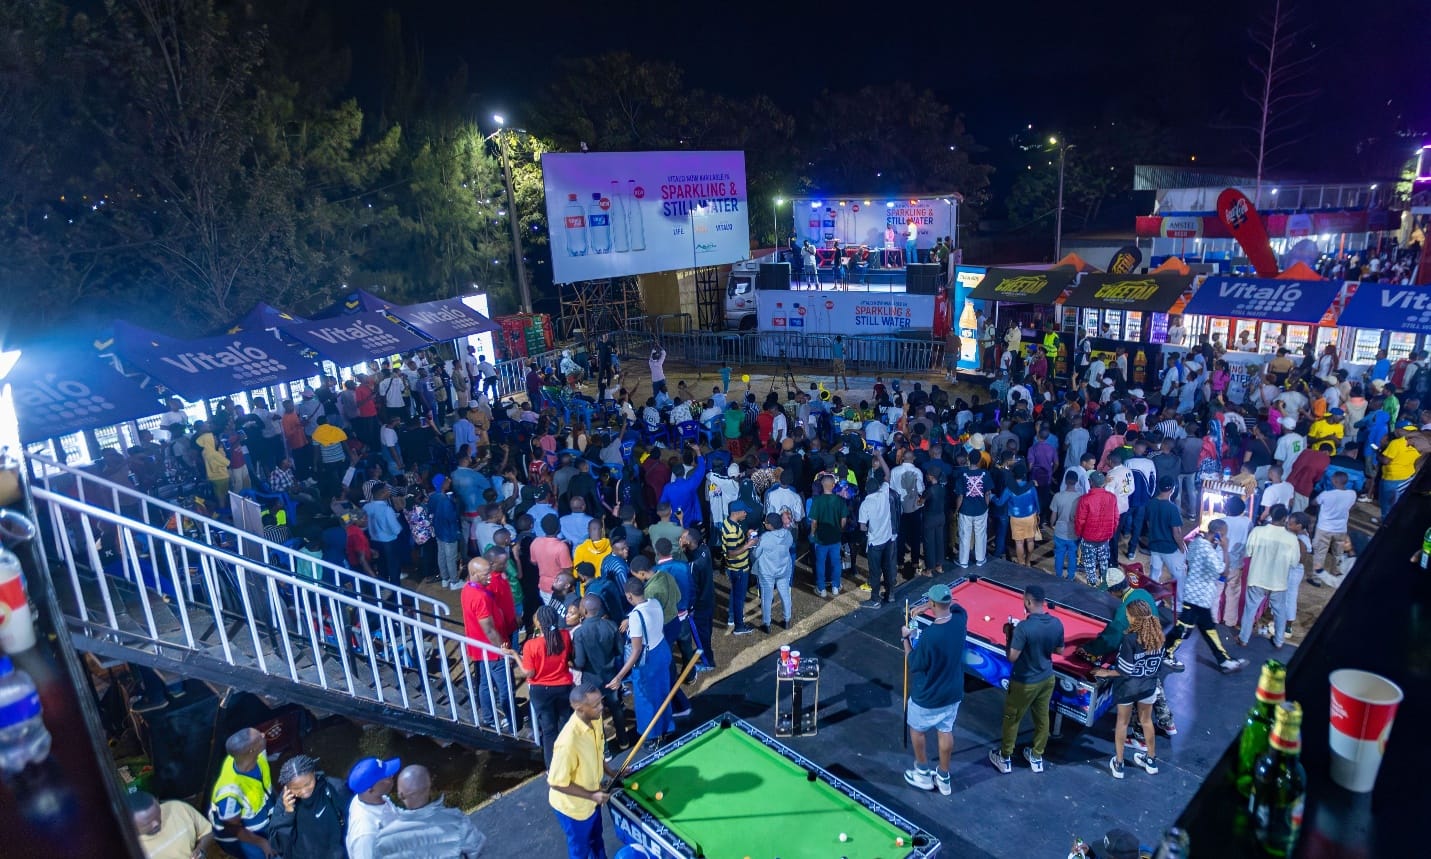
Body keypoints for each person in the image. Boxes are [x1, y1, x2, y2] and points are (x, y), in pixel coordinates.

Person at [901, 583, 968, 796]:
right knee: (945, 730)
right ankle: (944, 776)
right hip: (952, 692)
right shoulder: (960, 619)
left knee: (917, 730)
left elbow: (914, 664)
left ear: (932, 603)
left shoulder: (930, 635)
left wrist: (905, 638)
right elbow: (957, 606)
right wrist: (928, 607)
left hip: (928, 695)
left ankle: (922, 773)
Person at [990, 585, 1064, 775]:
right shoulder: (1056, 623)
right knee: (1042, 718)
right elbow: (1059, 650)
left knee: (1012, 718)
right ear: (1043, 601)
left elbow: (1012, 657)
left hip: (1024, 682)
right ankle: (1037, 756)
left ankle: (1004, 757)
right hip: (1047, 679)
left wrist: (1009, 636)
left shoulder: (1024, 628)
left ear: (1029, 602)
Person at [1162, 519, 1248, 673]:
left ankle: (1224, 660)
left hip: (1198, 596)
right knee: (1184, 629)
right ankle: (1165, 653)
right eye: (1224, 535)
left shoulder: (1197, 543)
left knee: (1209, 630)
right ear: (1218, 534)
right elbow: (1224, 572)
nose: (1225, 538)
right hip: (1197, 598)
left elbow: (1191, 561)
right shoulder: (1208, 550)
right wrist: (1225, 549)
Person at [1091, 600, 1164, 779]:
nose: (1127, 618)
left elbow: (1124, 670)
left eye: (1129, 615)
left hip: (1127, 688)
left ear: (1135, 618)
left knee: (1122, 724)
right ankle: (1151, 761)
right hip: (1148, 686)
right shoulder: (1159, 637)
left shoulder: (1130, 639)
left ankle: (1119, 764)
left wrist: (1105, 672)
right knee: (1146, 721)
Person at [548, 683, 621, 859]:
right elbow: (556, 783)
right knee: (580, 850)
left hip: (592, 800)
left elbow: (597, 751)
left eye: (601, 702)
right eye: (595, 705)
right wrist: (592, 795)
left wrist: (610, 772)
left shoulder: (595, 719)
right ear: (579, 709)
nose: (601, 707)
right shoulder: (568, 742)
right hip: (573, 809)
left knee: (597, 840)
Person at [608, 577, 674, 741]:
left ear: (629, 596)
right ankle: (667, 727)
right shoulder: (654, 602)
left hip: (648, 661)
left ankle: (652, 736)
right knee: (662, 691)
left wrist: (619, 676)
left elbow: (636, 650)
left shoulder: (635, 617)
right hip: (662, 650)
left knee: (646, 699)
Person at [377, 764, 487, 858]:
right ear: (429, 788)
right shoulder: (456, 820)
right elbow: (476, 848)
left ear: (400, 795)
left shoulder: (384, 838)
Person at [514, 604, 576, 768]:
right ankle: (570, 761)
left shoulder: (531, 645)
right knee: (565, 726)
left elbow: (529, 673)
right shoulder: (565, 635)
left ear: (539, 624)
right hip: (563, 687)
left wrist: (515, 655)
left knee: (549, 732)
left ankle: (552, 768)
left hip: (541, 691)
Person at [1238, 504, 1302, 648]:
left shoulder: (1257, 531)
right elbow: (1294, 562)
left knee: (1250, 610)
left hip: (1257, 578)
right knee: (1280, 613)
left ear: (1271, 515)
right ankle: (1279, 641)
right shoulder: (1291, 539)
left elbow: (1248, 552)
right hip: (1278, 582)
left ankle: (1243, 639)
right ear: (1285, 518)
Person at [267, 754, 351, 859]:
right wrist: (288, 813)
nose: (304, 791)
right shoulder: (284, 803)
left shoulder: (333, 788)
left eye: (308, 784)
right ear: (287, 787)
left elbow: (354, 816)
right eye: (296, 788)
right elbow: (278, 845)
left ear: (314, 773)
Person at [208, 728, 273, 859]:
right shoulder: (229, 794)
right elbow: (234, 829)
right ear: (251, 750)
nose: (263, 735)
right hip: (250, 837)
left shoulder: (250, 757)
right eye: (259, 737)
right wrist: (262, 843)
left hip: (265, 823)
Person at [345, 757, 401, 859]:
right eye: (386, 776)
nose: (392, 775)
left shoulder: (367, 797)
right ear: (370, 790)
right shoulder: (366, 834)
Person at [130, 791, 214, 859]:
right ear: (130, 824)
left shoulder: (178, 808)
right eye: (147, 823)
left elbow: (209, 832)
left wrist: (200, 850)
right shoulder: (129, 848)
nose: (156, 824)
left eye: (158, 814)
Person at [1074, 471, 1119, 589]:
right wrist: (1111, 533)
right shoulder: (1112, 497)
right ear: (1104, 483)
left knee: (1090, 564)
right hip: (1105, 538)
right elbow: (1116, 518)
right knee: (1104, 562)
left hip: (1088, 538)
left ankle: (1092, 586)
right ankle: (1104, 585)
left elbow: (1080, 520)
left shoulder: (1085, 499)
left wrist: (1079, 534)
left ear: (1090, 482)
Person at [1310, 471, 1355, 585]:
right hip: (1341, 529)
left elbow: (1314, 502)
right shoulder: (1352, 494)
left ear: (1335, 481)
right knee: (1338, 553)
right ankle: (1336, 573)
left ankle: (1316, 578)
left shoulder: (1326, 494)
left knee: (1320, 553)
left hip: (1324, 528)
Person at [720, 501, 758, 634]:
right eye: (744, 512)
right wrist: (748, 545)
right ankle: (739, 626)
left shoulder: (729, 523)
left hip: (733, 567)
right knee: (739, 598)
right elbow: (732, 553)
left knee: (735, 594)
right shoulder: (732, 530)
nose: (746, 514)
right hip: (739, 567)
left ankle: (732, 618)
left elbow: (734, 544)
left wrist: (746, 536)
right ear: (736, 513)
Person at [754, 512, 794, 633]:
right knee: (785, 594)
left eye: (766, 522)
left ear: (771, 525)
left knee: (767, 597)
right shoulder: (788, 534)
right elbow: (789, 545)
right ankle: (787, 620)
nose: (764, 523)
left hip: (767, 571)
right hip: (783, 569)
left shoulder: (765, 537)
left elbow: (756, 554)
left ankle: (766, 623)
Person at [809, 473, 847, 596]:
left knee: (820, 563)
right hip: (835, 537)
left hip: (820, 538)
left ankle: (822, 589)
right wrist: (840, 530)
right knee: (836, 562)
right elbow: (844, 520)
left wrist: (812, 533)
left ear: (822, 485)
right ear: (833, 485)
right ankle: (836, 586)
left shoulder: (817, 501)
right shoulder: (840, 500)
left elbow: (814, 522)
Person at [954, 450, 990, 568]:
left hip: (965, 510)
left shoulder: (962, 474)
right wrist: (986, 506)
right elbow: (987, 493)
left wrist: (956, 510)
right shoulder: (985, 473)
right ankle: (980, 559)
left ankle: (963, 561)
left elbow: (960, 496)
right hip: (981, 509)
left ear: (968, 459)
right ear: (980, 460)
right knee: (981, 534)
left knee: (964, 535)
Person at [1049, 470, 1082, 581]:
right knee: (1072, 555)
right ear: (1076, 482)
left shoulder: (1058, 496)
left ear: (1065, 481)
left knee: (1059, 554)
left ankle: (1058, 575)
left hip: (1060, 531)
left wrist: (1051, 524)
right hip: (1074, 532)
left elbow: (1053, 516)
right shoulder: (1080, 498)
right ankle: (1071, 576)